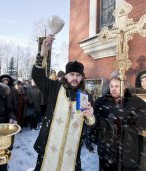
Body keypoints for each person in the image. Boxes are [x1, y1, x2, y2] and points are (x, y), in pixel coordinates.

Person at [32, 35, 95, 171]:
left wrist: (91, 117)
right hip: (49, 145)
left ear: (82, 78)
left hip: (71, 150)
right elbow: (37, 76)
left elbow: (90, 125)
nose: (75, 78)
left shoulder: (85, 96)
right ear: (66, 76)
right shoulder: (54, 88)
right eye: (72, 74)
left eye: (78, 75)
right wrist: (42, 53)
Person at [93, 72, 146, 171]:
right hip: (107, 151)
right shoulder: (101, 102)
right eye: (111, 86)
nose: (113, 89)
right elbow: (95, 123)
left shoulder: (136, 102)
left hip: (128, 151)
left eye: (117, 86)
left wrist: (129, 116)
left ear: (124, 86)